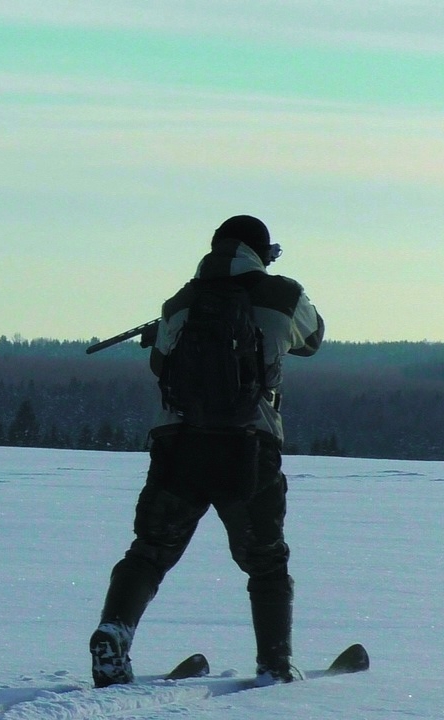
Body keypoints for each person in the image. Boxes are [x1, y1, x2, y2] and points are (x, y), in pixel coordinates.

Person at [90, 215, 324, 687]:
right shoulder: (282, 293)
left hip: (178, 445)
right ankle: (274, 664)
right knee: (266, 560)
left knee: (150, 551)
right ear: (261, 251)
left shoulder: (180, 301)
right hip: (249, 447)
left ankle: (114, 633)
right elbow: (312, 339)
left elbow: (161, 366)